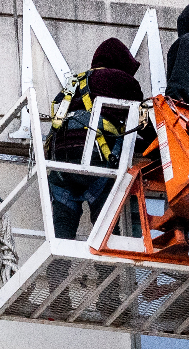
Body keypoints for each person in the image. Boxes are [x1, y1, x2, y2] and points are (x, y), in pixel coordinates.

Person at [46, 37, 144, 240]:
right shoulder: (121, 80)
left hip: (61, 165)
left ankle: (59, 270)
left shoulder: (70, 86)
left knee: (63, 227)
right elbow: (140, 119)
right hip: (96, 160)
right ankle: (106, 271)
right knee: (106, 229)